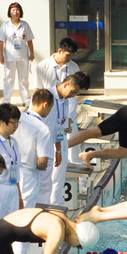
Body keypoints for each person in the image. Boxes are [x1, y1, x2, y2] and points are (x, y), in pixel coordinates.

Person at [41, 71, 91, 206]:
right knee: (45, 183)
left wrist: (67, 123)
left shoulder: (65, 100)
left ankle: (57, 207)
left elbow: (59, 124)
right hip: (44, 146)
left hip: (59, 144)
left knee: (58, 180)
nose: (72, 96)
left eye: (75, 94)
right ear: (66, 84)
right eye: (72, 92)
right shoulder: (45, 96)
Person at [35, 37, 82, 166]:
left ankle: (75, 164)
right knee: (51, 134)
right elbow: (37, 90)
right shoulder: (42, 66)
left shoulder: (73, 67)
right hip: (49, 106)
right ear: (59, 51)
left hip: (68, 104)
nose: (69, 58)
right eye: (67, 55)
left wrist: (71, 116)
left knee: (71, 132)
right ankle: (54, 160)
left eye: (72, 55)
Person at [12, 89, 53, 212]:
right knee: (26, 211)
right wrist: (44, 165)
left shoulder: (18, 119)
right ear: (45, 105)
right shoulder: (42, 128)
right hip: (28, 175)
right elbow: (42, 161)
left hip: (11, 171)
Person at [0, 2, 34, 105]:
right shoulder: (5, 25)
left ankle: (26, 100)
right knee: (8, 79)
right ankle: (6, 101)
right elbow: (1, 41)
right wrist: (1, 55)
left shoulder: (25, 25)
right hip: (9, 57)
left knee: (24, 79)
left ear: (20, 12)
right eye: (13, 10)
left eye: (17, 10)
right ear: (9, 12)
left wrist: (32, 53)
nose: (15, 12)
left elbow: (29, 40)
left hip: (23, 56)